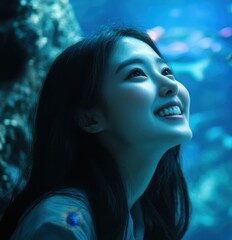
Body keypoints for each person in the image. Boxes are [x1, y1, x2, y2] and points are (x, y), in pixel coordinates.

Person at [0, 26, 193, 239]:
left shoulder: (135, 217)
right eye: (136, 73)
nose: (170, 85)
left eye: (166, 71)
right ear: (90, 118)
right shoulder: (62, 224)